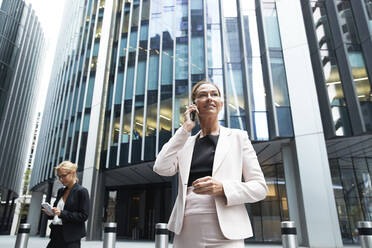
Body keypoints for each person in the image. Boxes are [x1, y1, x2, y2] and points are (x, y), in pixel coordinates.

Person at [153, 80, 268, 247]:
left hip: (227, 232)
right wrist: (185, 129)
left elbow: (260, 188)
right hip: (186, 230)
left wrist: (223, 188)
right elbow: (161, 167)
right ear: (194, 105)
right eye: (202, 95)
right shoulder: (185, 142)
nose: (209, 98)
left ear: (220, 103)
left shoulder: (238, 137)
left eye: (214, 94)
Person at [42, 161, 90, 248]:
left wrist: (62, 213)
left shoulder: (82, 191)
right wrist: (52, 213)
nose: (60, 179)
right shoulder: (61, 191)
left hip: (71, 238)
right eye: (59, 177)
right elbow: (57, 211)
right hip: (56, 234)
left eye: (63, 176)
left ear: (73, 173)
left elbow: (83, 216)